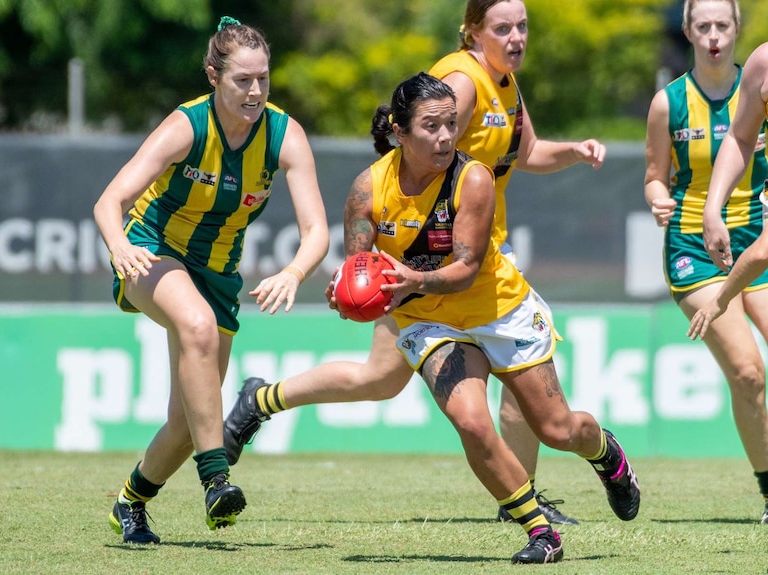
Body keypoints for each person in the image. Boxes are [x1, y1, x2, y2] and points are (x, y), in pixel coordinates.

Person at [224, 0, 606, 525]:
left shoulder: (505, 84)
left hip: (472, 253)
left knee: (382, 378)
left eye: (522, 26)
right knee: (386, 378)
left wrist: (575, 151)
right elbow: (432, 164)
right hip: (431, 254)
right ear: (472, 30)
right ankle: (523, 499)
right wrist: (410, 257)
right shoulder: (463, 81)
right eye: (502, 27)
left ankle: (261, 400)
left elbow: (528, 151)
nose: (516, 36)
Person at [322, 71, 639, 564]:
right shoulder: (367, 188)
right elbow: (357, 268)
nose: (446, 136)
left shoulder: (473, 178)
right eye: (431, 126)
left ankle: (605, 454)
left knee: (558, 430)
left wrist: (410, 280)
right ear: (400, 132)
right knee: (471, 423)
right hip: (430, 320)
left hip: (500, 309)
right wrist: (345, 292)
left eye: (452, 124)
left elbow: (467, 270)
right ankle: (541, 532)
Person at [93, 16, 329, 544]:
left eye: (263, 78)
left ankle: (130, 503)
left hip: (219, 273)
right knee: (196, 326)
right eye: (242, 80)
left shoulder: (285, 135)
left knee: (187, 421)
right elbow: (110, 201)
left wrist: (294, 272)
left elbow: (316, 231)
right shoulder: (186, 126)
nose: (255, 91)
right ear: (213, 76)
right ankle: (216, 479)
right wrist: (120, 246)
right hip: (151, 252)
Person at [646, 0, 768, 526]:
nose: (714, 35)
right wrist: (657, 198)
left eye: (723, 24)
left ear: (737, 28)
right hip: (695, 246)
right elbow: (654, 174)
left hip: (758, 241)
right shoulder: (667, 103)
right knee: (748, 372)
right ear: (688, 32)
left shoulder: (757, 82)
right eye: (703, 26)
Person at [682, 37, 768, 525]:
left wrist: (719, 302)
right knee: (748, 372)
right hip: (699, 251)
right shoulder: (762, 64)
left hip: (746, 256)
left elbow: (762, 251)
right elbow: (738, 138)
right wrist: (710, 209)